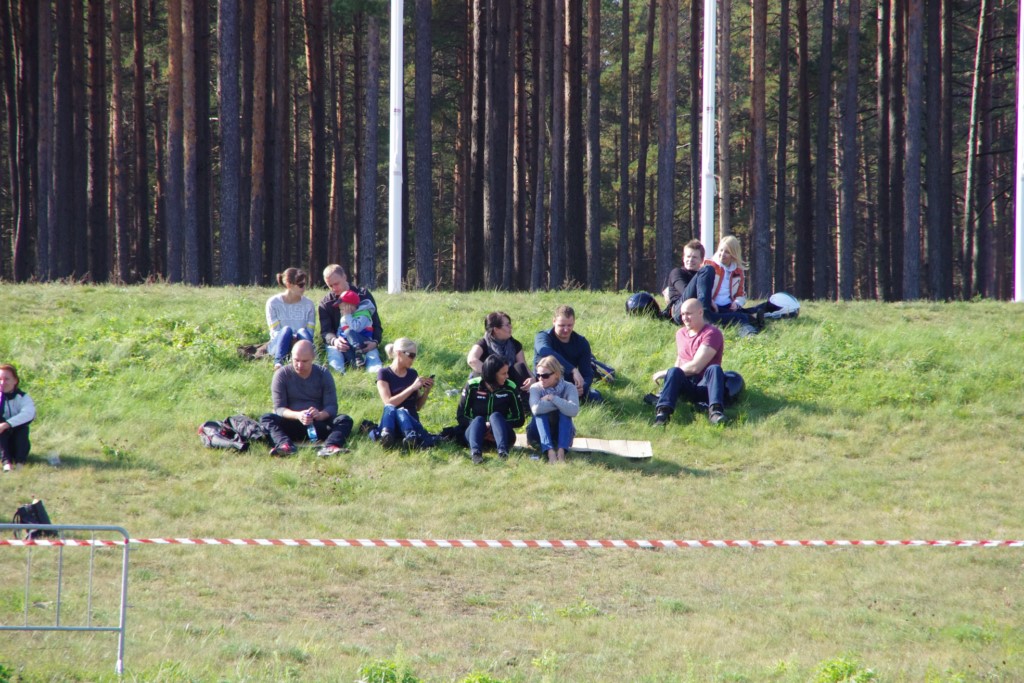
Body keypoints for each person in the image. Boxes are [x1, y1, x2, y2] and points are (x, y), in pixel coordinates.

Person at [259, 340, 354, 457]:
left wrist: (320, 415)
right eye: (296, 360)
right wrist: (298, 415)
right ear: (291, 357)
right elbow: (279, 408)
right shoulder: (282, 375)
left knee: (344, 420)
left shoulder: (323, 374)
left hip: (318, 424)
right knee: (266, 418)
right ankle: (285, 445)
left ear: (313, 358)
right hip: (291, 423)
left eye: (304, 361)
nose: (299, 365)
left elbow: (332, 407)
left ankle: (330, 446)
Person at [653, 298, 728, 427]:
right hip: (687, 385)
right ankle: (662, 415)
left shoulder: (712, 333)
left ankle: (715, 412)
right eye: (682, 314)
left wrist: (664, 373)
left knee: (714, 369)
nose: (685, 318)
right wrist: (671, 378)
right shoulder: (680, 333)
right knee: (674, 370)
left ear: (700, 312)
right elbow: (680, 359)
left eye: (689, 314)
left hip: (705, 385)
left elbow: (696, 367)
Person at [457, 355, 526, 464]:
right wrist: (483, 426)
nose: (507, 376)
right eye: (503, 373)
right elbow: (461, 415)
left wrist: (495, 426)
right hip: (476, 434)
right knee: (478, 420)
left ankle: (503, 452)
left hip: (502, 435)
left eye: (507, 372)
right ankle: (476, 453)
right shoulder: (472, 386)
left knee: (496, 417)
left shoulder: (510, 388)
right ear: (492, 374)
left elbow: (519, 419)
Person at [318, 264, 383, 374]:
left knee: (373, 358)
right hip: (340, 342)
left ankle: (376, 378)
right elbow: (325, 331)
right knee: (335, 357)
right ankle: (337, 376)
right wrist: (334, 341)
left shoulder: (363, 295)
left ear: (344, 277)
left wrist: (375, 342)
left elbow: (376, 323)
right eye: (330, 286)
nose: (334, 289)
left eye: (336, 284)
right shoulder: (326, 303)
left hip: (364, 340)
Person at [375, 338, 435, 449]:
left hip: (411, 421)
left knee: (402, 411)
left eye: (415, 356)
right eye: (411, 355)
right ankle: (393, 436)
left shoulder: (412, 374)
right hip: (391, 422)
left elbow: (417, 407)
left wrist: (426, 391)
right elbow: (388, 402)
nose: (413, 359)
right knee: (397, 410)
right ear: (399, 353)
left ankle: (408, 435)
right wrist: (412, 388)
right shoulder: (384, 373)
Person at [534, 305, 601, 403]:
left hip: (569, 385)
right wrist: (573, 369)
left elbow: (587, 373)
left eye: (569, 325)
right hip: (545, 385)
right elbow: (544, 351)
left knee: (596, 398)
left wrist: (581, 387)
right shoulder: (543, 337)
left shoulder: (581, 342)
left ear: (574, 322)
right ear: (554, 321)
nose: (566, 329)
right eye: (562, 325)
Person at [693, 235, 761, 331]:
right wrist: (709, 300)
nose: (722, 254)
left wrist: (737, 303)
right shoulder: (709, 265)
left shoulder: (738, 271)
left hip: (728, 306)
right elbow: (700, 289)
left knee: (740, 317)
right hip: (711, 306)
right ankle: (751, 321)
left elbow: (740, 294)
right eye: (721, 250)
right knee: (740, 318)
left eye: (727, 252)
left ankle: (750, 330)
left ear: (733, 254)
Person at [526, 356, 579, 463]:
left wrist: (553, 398)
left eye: (545, 375)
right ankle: (550, 452)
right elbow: (535, 409)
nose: (541, 378)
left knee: (565, 413)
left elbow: (574, 410)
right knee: (541, 413)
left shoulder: (569, 387)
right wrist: (563, 403)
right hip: (537, 434)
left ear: (556, 374)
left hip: (561, 433)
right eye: (538, 375)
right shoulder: (535, 388)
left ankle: (561, 452)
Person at [466, 311, 533, 391]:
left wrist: (533, 378)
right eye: (507, 325)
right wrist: (492, 374)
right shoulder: (483, 343)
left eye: (510, 324)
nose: (511, 327)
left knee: (519, 367)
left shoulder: (515, 344)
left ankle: (521, 397)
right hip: (491, 382)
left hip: (509, 379)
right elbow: (472, 360)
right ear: (496, 329)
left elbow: (523, 365)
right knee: (477, 372)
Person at [265, 267, 316, 370]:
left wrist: (296, 339)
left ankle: (315, 362)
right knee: (286, 330)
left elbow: (310, 332)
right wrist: (291, 337)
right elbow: (275, 331)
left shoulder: (309, 304)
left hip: (301, 344)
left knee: (302, 331)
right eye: (301, 285)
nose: (304, 288)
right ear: (289, 285)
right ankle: (278, 363)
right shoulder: (273, 303)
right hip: (280, 343)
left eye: (305, 284)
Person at [334, 290, 381, 373]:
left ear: (351, 307)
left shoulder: (363, 314)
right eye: (340, 309)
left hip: (363, 340)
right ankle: (357, 366)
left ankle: (359, 352)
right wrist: (339, 338)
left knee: (349, 332)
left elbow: (356, 328)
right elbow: (340, 330)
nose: (341, 311)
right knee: (345, 348)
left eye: (342, 309)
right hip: (351, 342)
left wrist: (348, 316)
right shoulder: (344, 317)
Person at [0, 364, 35, 472]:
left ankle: (20, 463)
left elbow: (29, 413)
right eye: (0, 379)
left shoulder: (23, 397)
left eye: (6, 379)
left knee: (22, 429)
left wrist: (7, 424)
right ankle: (6, 464)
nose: (2, 383)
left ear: (15, 381)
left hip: (18, 441)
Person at [662, 239, 706, 323]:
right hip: (679, 309)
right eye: (688, 257)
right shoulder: (677, 272)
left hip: (699, 308)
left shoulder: (702, 275)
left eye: (694, 257)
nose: (690, 260)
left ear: (702, 260)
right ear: (683, 258)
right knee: (707, 269)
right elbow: (685, 291)